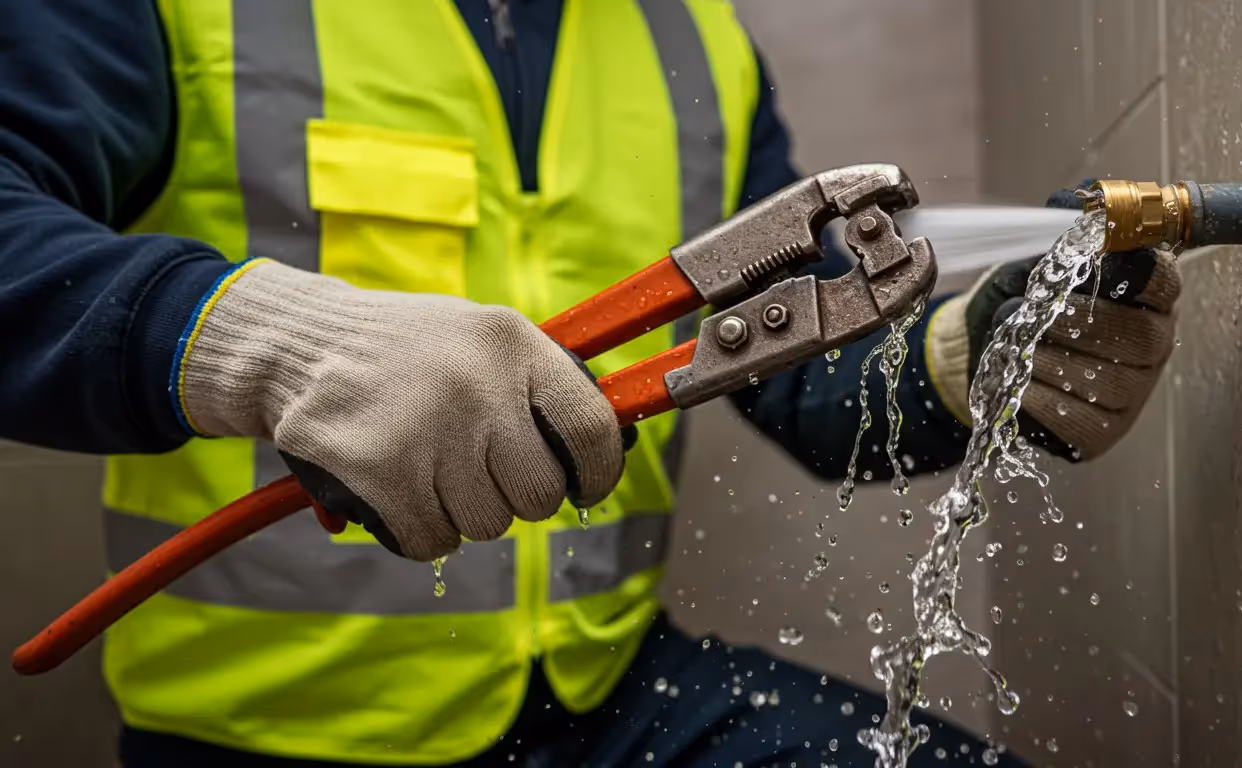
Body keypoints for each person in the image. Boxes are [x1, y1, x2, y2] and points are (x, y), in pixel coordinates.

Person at [0, 1, 1180, 765]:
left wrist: (963, 366)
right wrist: (261, 340)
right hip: (269, 737)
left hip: (610, 702)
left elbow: (794, 374)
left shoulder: (695, 46)